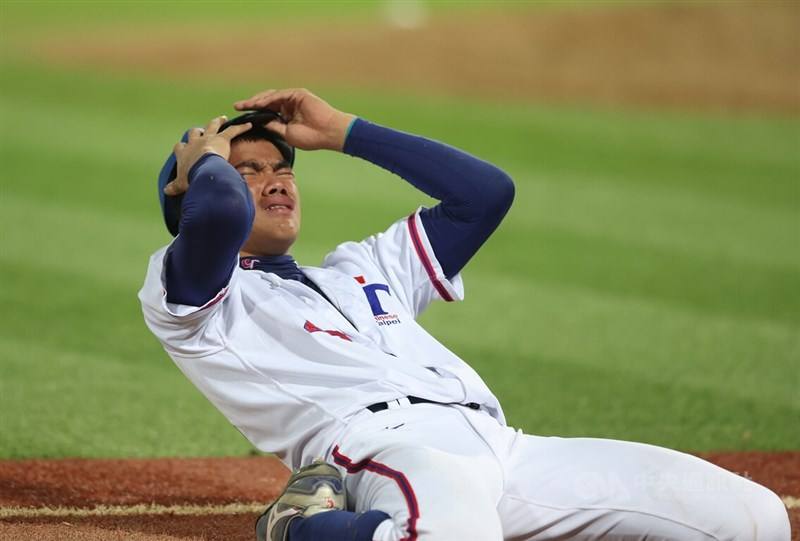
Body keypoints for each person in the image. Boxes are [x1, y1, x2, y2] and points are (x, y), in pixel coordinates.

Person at [139, 88, 790, 541]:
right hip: (386, 451)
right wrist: (205, 167)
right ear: (194, 192)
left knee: (754, 518)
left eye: (282, 166)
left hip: (508, 451)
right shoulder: (198, 297)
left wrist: (345, 131)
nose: (276, 180)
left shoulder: (363, 265)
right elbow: (219, 214)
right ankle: (304, 527)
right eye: (247, 169)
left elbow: (483, 196)